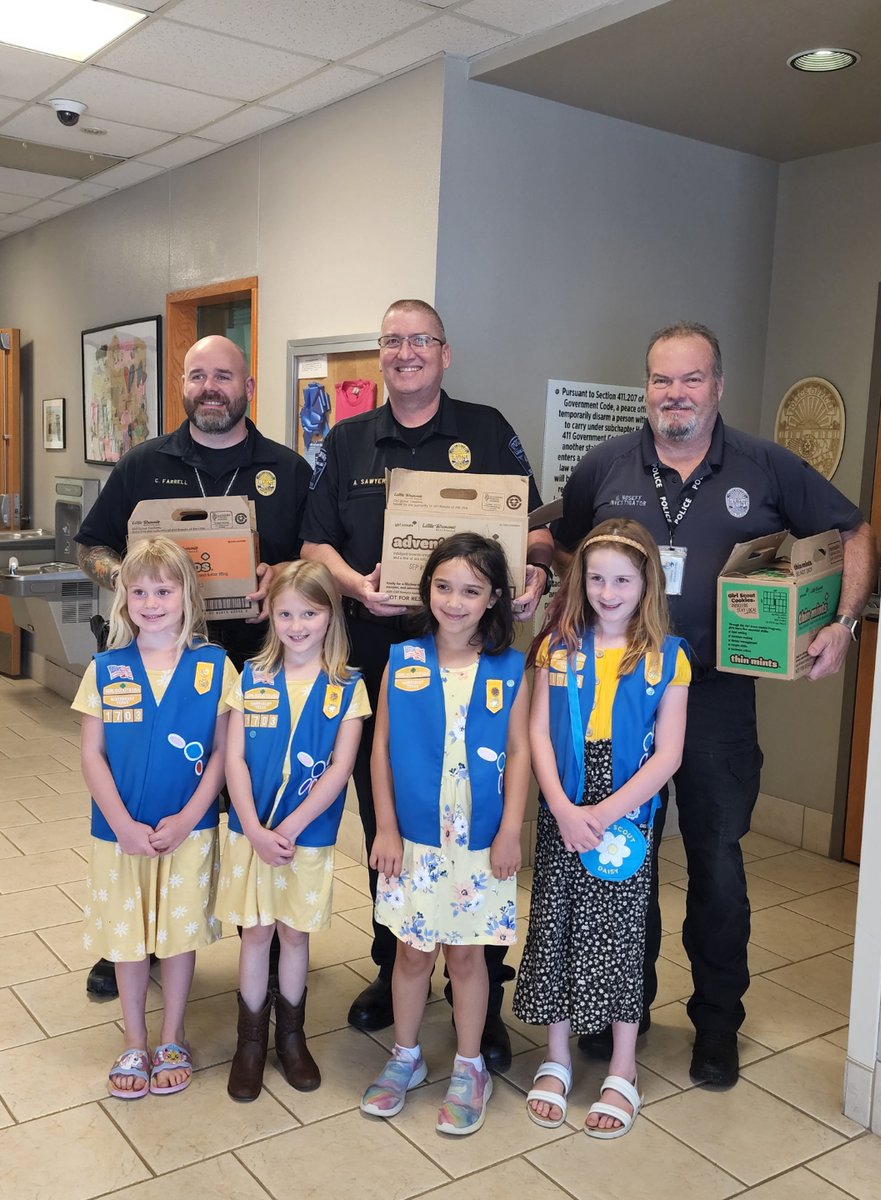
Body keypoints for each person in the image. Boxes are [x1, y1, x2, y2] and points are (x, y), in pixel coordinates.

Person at [553, 322, 876, 1087]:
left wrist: (843, 622)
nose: (676, 395)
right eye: (662, 381)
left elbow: (854, 529)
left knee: (716, 865)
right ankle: (614, 1002)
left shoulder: (765, 467)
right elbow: (564, 545)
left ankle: (717, 1026)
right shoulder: (605, 465)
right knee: (617, 862)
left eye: (691, 379)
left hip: (718, 703)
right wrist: (559, 594)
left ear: (718, 386)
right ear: (647, 389)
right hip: (621, 696)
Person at [301, 299, 553, 1070]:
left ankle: (483, 985)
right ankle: (395, 960)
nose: (406, 352)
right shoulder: (345, 442)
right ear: (380, 356)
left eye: (421, 341)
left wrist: (536, 569)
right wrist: (353, 584)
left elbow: (533, 523)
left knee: (481, 810)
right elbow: (314, 543)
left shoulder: (486, 429)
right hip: (384, 654)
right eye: (393, 342)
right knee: (392, 815)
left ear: (445, 353)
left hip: (481, 659)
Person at [76, 334, 312, 999]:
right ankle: (135, 938)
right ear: (183, 384)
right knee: (152, 788)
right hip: (156, 668)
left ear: (248, 387)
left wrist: (285, 573)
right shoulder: (144, 464)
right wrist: (135, 583)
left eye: (224, 377)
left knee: (250, 799)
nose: (211, 387)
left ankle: (256, 928)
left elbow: (314, 564)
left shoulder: (288, 470)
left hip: (257, 663)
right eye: (198, 376)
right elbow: (89, 545)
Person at [514, 519, 689, 1137]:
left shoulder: (669, 656)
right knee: (557, 923)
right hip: (566, 798)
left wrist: (606, 813)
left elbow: (668, 754)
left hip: (625, 810)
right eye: (595, 579)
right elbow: (537, 730)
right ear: (578, 580)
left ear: (647, 583)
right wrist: (562, 807)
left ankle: (622, 1068)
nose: (608, 592)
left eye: (622, 579)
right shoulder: (557, 644)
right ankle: (557, 1056)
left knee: (619, 937)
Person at [360, 533, 530, 1135]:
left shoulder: (510, 669)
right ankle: (405, 1054)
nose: (455, 601)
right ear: (426, 588)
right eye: (444, 587)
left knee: (466, 956)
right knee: (410, 952)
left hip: (479, 839)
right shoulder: (402, 660)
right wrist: (384, 826)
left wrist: (511, 831)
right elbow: (378, 748)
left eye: (472, 590)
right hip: (415, 840)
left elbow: (519, 752)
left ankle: (469, 1066)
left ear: (494, 600)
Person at [72, 536, 237, 1099]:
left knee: (178, 932)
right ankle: (135, 1039)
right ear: (123, 600)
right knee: (127, 935)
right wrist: (120, 823)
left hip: (187, 832)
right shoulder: (105, 668)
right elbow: (91, 753)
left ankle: (171, 1036)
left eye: (163, 590)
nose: (150, 602)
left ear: (187, 595)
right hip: (118, 833)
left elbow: (223, 753)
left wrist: (192, 817)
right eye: (138, 591)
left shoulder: (214, 666)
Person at [217, 561, 370, 1101]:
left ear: (331, 615)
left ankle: (291, 1037)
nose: (298, 624)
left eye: (310, 612)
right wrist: (256, 828)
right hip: (249, 833)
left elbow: (339, 768)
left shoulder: (347, 687)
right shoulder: (250, 677)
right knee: (256, 933)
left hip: (306, 838)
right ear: (270, 615)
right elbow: (232, 759)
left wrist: (292, 825)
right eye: (286, 613)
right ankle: (250, 1042)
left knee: (294, 934)